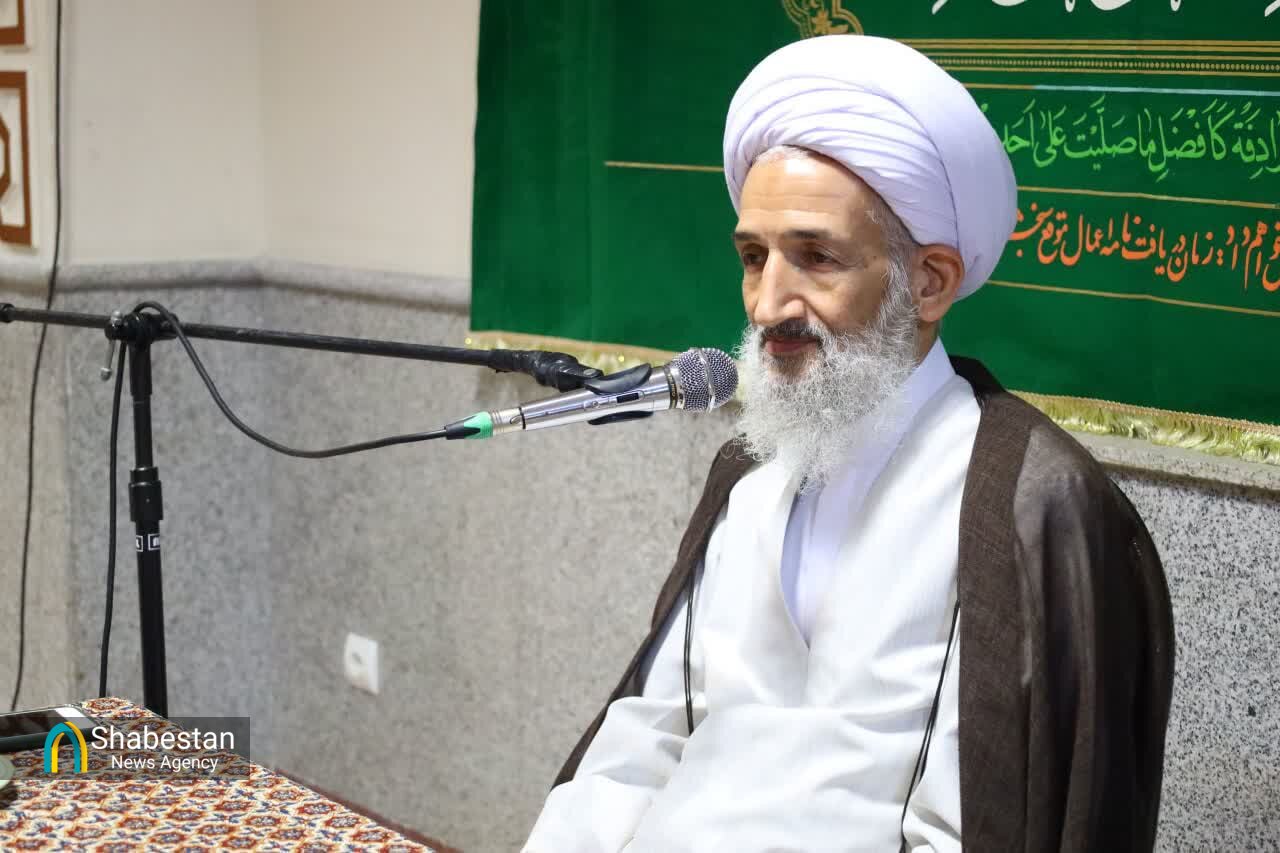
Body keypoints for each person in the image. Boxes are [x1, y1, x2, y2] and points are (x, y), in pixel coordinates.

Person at [524, 34, 1174, 853]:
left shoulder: (1023, 501)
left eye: (815, 257)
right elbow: (645, 740)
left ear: (929, 282)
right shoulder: (749, 474)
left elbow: (981, 826)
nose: (767, 304)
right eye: (753, 257)